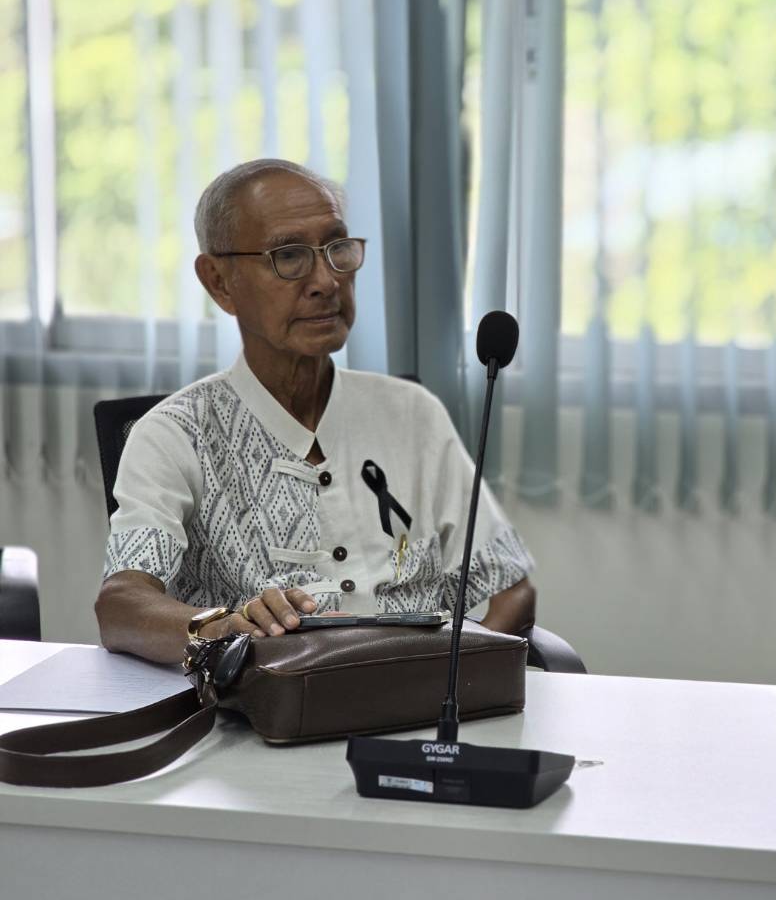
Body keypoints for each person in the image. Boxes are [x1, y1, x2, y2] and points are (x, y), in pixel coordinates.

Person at [96, 158, 536, 665]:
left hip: (417, 702)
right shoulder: (175, 434)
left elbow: (511, 590)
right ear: (219, 281)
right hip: (265, 705)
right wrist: (223, 628)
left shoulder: (412, 414)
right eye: (289, 256)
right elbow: (121, 607)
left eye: (337, 249)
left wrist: (451, 681)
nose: (326, 280)